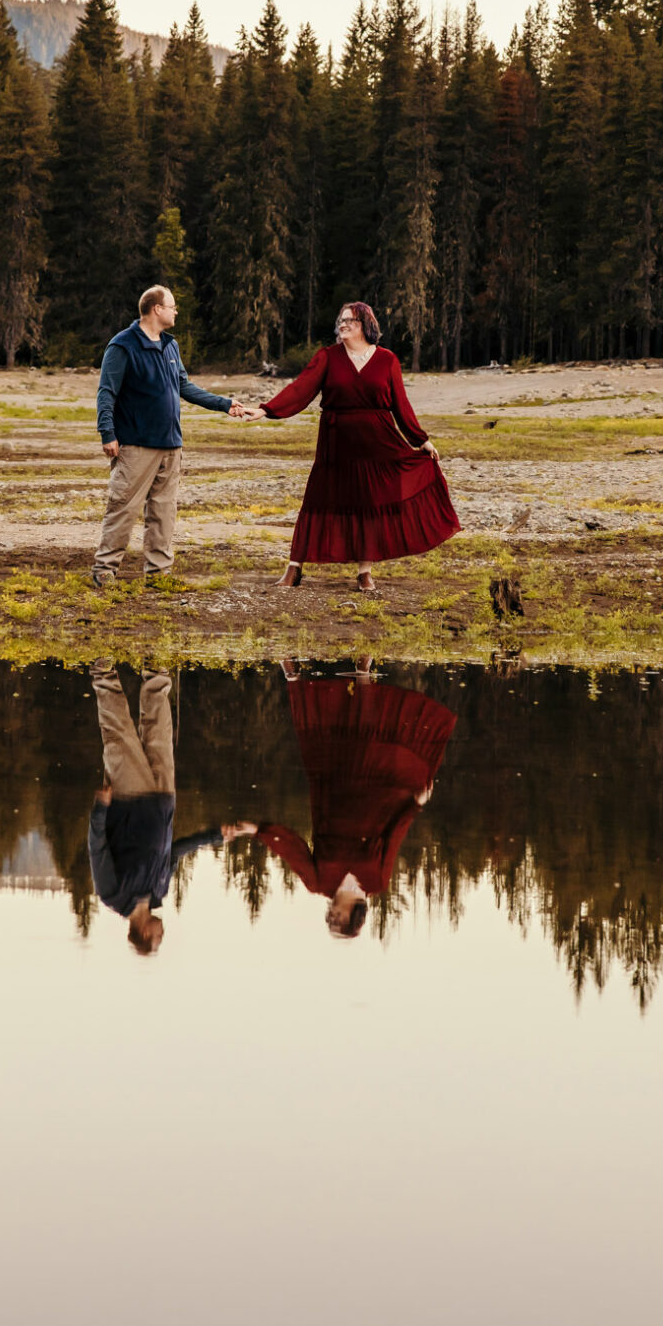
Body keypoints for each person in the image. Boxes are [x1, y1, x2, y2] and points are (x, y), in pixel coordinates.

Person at [251, 300, 458, 592]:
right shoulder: (328, 357)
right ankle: (294, 568)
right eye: (341, 320)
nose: (343, 324)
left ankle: (364, 572)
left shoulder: (387, 360)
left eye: (349, 320)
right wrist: (267, 410)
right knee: (316, 501)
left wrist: (420, 440)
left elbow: (401, 405)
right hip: (335, 443)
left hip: (377, 442)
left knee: (369, 505)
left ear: (365, 325)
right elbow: (300, 388)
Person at [253, 659, 455, 939]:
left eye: (330, 920)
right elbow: (394, 837)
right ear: (354, 917)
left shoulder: (319, 884)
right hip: (375, 798)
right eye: (338, 921)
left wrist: (259, 831)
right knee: (369, 736)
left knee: (323, 737)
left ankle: (294, 676)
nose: (331, 916)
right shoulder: (377, 881)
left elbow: (292, 850)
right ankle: (363, 673)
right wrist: (414, 805)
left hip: (335, 792)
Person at [86, 659, 254, 954]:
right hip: (163, 798)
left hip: (128, 798)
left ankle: (102, 668)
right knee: (159, 726)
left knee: (117, 732)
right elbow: (175, 852)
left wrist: (101, 809)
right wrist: (216, 835)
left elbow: (97, 847)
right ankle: (156, 667)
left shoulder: (112, 895)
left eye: (157, 938)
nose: (162, 934)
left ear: (142, 931)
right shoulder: (158, 892)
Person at [93, 284, 250, 587]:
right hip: (136, 444)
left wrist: (224, 404)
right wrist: (107, 433)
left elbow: (185, 387)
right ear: (157, 309)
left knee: (164, 513)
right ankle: (104, 570)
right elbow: (106, 392)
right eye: (173, 306)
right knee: (123, 507)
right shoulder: (122, 346)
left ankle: (158, 574)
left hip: (170, 444)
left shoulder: (170, 345)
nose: (176, 311)